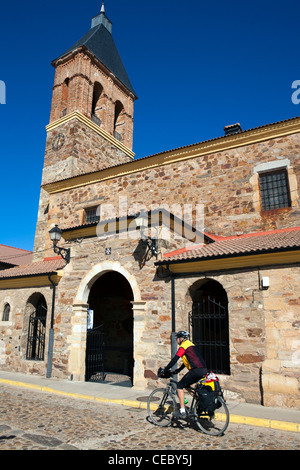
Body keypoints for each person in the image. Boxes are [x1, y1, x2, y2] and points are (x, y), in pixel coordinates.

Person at [161, 330, 207, 419]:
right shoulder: (190, 345)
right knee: (187, 385)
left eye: (177, 339)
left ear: (181, 339)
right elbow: (187, 361)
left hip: (196, 370)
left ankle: (182, 411)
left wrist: (165, 370)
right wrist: (178, 370)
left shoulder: (183, 347)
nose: (177, 341)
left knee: (179, 385)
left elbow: (175, 359)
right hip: (203, 369)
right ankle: (200, 401)